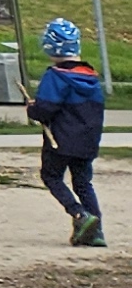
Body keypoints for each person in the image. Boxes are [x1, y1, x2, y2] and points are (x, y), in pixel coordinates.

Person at [28, 17, 104, 248]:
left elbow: (45, 109)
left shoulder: (56, 76)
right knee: (83, 182)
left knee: (51, 176)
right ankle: (96, 230)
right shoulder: (92, 78)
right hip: (87, 141)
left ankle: (79, 214)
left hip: (60, 140)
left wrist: (32, 108)